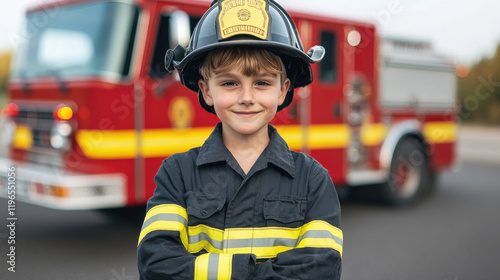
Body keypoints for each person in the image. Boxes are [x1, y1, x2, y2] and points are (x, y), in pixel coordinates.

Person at [137, 0, 343, 279]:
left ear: (283, 91)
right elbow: (156, 264)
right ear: (206, 91)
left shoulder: (313, 179)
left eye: (262, 83)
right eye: (229, 83)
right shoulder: (177, 174)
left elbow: (320, 269)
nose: (247, 98)